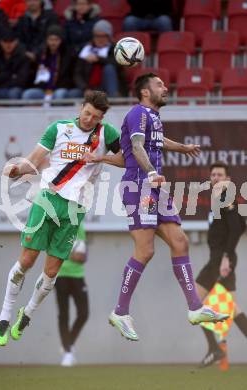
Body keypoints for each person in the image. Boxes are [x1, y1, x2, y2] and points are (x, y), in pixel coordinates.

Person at [85, 73, 229, 341]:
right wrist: (151, 172)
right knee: (146, 250)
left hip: (154, 189)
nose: (165, 87)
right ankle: (120, 311)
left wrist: (182, 148)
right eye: (159, 84)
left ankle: (195, 308)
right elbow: (137, 147)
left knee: (180, 241)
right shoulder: (138, 113)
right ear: (145, 92)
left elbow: (147, 147)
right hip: (140, 187)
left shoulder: (153, 118)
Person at [0, 90, 121, 346]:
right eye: (87, 113)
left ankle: (26, 313)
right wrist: (15, 171)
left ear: (101, 118)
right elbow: (33, 161)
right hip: (47, 199)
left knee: (51, 272)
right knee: (27, 261)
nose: (89, 120)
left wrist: (101, 157)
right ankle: (5, 315)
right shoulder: (58, 128)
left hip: (75, 209)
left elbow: (127, 159)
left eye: (95, 117)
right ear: (81, 107)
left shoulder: (107, 134)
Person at [196, 161, 247, 368]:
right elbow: (241, 223)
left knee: (194, 302)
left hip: (220, 260)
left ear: (227, 179)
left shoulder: (226, 197)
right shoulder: (218, 199)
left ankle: (214, 349)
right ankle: (215, 349)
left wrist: (226, 257)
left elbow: (236, 228)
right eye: (213, 175)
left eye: (220, 175)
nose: (216, 178)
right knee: (234, 310)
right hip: (219, 259)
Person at [55, 222, 88, 367]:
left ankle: (68, 343)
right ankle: (68, 353)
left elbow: (83, 255)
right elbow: (52, 250)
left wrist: (80, 256)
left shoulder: (80, 227)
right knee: (64, 314)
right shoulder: (56, 226)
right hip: (60, 275)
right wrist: (69, 253)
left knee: (84, 313)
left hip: (78, 276)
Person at [22, 24, 81, 101]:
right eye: (50, 39)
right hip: (43, 90)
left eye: (56, 40)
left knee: (59, 94)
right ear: (46, 40)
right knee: (27, 94)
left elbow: (70, 77)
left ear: (61, 40)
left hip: (60, 88)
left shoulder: (69, 55)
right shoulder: (42, 54)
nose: (53, 43)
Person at [73, 19, 127, 98]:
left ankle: (114, 100)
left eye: (103, 36)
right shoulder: (86, 50)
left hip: (108, 88)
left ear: (109, 37)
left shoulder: (115, 49)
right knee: (68, 94)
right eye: (97, 36)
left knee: (109, 68)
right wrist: (85, 88)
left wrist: (99, 59)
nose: (100, 39)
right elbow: (77, 74)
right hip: (89, 89)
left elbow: (118, 63)